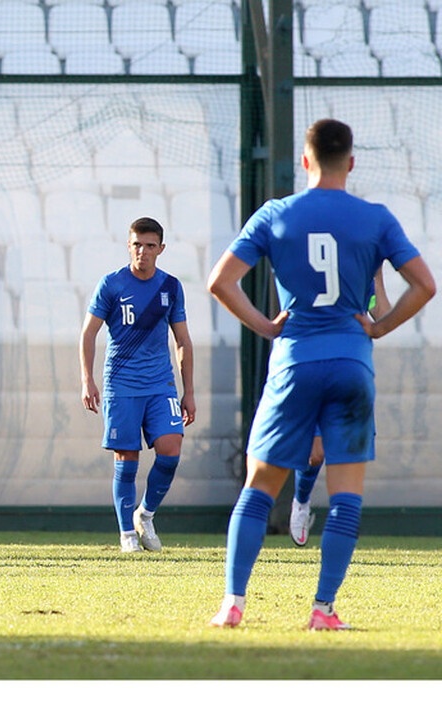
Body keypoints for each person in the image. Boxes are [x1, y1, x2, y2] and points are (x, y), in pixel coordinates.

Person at [207, 118, 435, 630]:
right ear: (350, 163)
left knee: (260, 485)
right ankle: (322, 610)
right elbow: (424, 285)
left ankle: (233, 603)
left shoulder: (276, 214)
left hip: (295, 361)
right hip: (352, 363)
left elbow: (220, 282)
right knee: (347, 493)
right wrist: (378, 328)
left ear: (305, 161)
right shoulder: (375, 218)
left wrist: (268, 325)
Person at [78, 217, 196, 553]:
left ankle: (145, 514)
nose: (142, 251)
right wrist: (87, 379)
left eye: (149, 245)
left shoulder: (171, 286)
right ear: (128, 246)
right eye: (136, 245)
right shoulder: (112, 284)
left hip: (161, 384)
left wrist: (189, 391)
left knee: (170, 449)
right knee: (126, 456)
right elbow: (88, 333)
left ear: (161, 248)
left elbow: (183, 340)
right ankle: (126, 534)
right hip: (122, 384)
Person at [289, 269, 391, 547]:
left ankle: (342, 525)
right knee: (314, 454)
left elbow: (382, 318)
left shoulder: (360, 278)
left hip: (352, 371)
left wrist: (377, 275)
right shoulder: (308, 270)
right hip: (314, 370)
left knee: (351, 456)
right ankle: (301, 500)